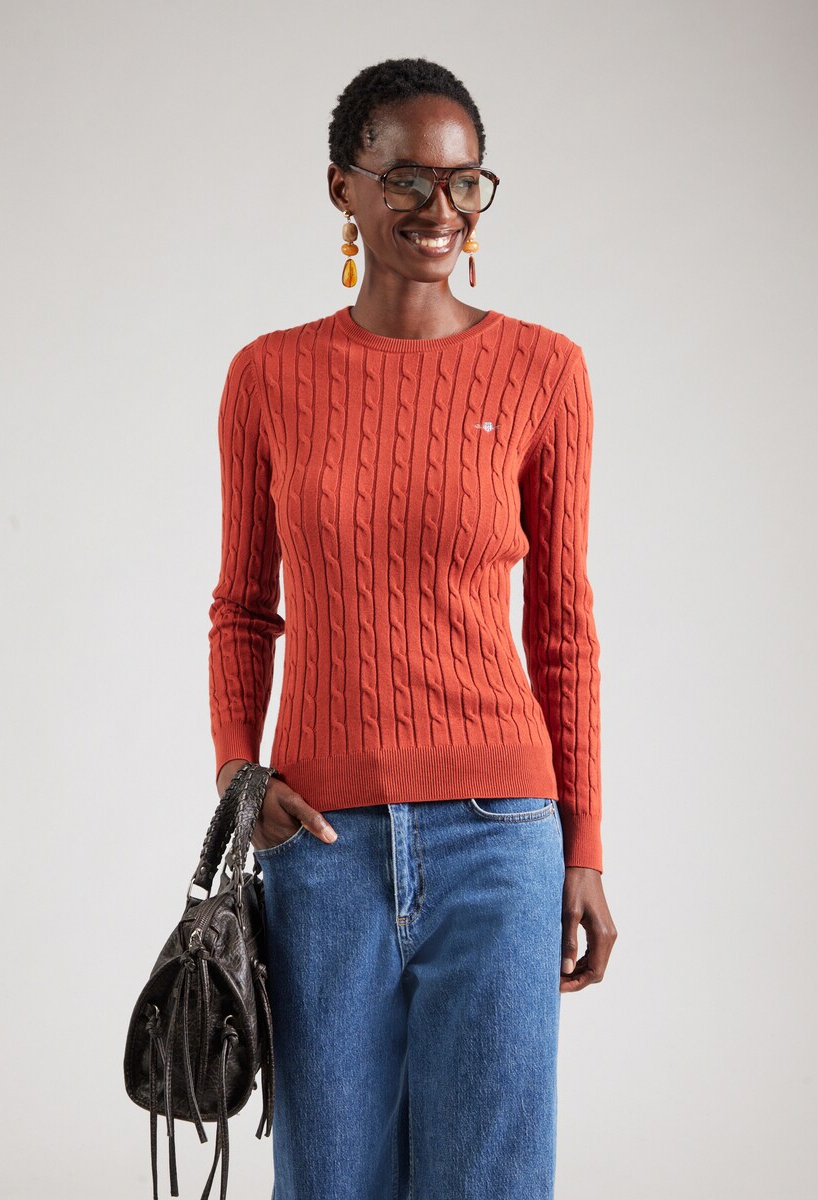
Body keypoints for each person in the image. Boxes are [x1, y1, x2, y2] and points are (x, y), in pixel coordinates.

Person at [207, 56, 617, 1200]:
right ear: (343, 188)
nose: (440, 208)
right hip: (320, 846)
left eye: (463, 181)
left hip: (502, 839)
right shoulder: (268, 377)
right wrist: (240, 775)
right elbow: (243, 607)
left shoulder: (544, 371)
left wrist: (583, 847)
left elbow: (565, 628)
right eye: (406, 180)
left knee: (489, 1181)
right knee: (327, 1178)